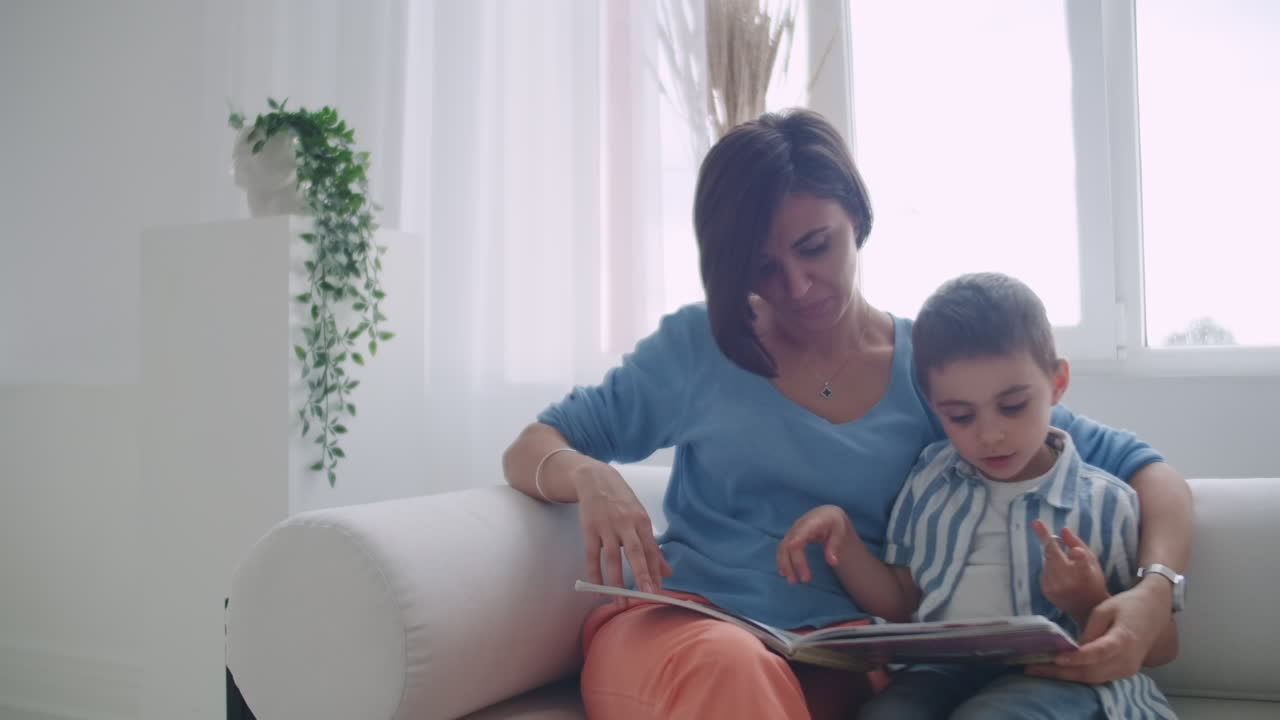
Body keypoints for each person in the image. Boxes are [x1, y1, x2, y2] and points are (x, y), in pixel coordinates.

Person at [501, 108, 1192, 720]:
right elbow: (533, 445)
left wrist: (1157, 588)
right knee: (730, 669)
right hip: (685, 633)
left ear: (856, 219)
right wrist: (588, 477)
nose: (796, 286)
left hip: (840, 660)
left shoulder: (939, 371)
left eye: (815, 247)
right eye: (763, 266)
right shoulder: (699, 346)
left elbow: (1149, 475)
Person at [779, 272, 1178, 719]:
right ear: (934, 408)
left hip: (1059, 677)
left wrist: (1090, 601)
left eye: (1012, 407)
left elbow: (1161, 645)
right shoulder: (929, 483)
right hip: (940, 672)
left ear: (1058, 383)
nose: (990, 435)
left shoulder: (1105, 502)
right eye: (961, 416)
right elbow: (900, 601)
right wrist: (844, 540)